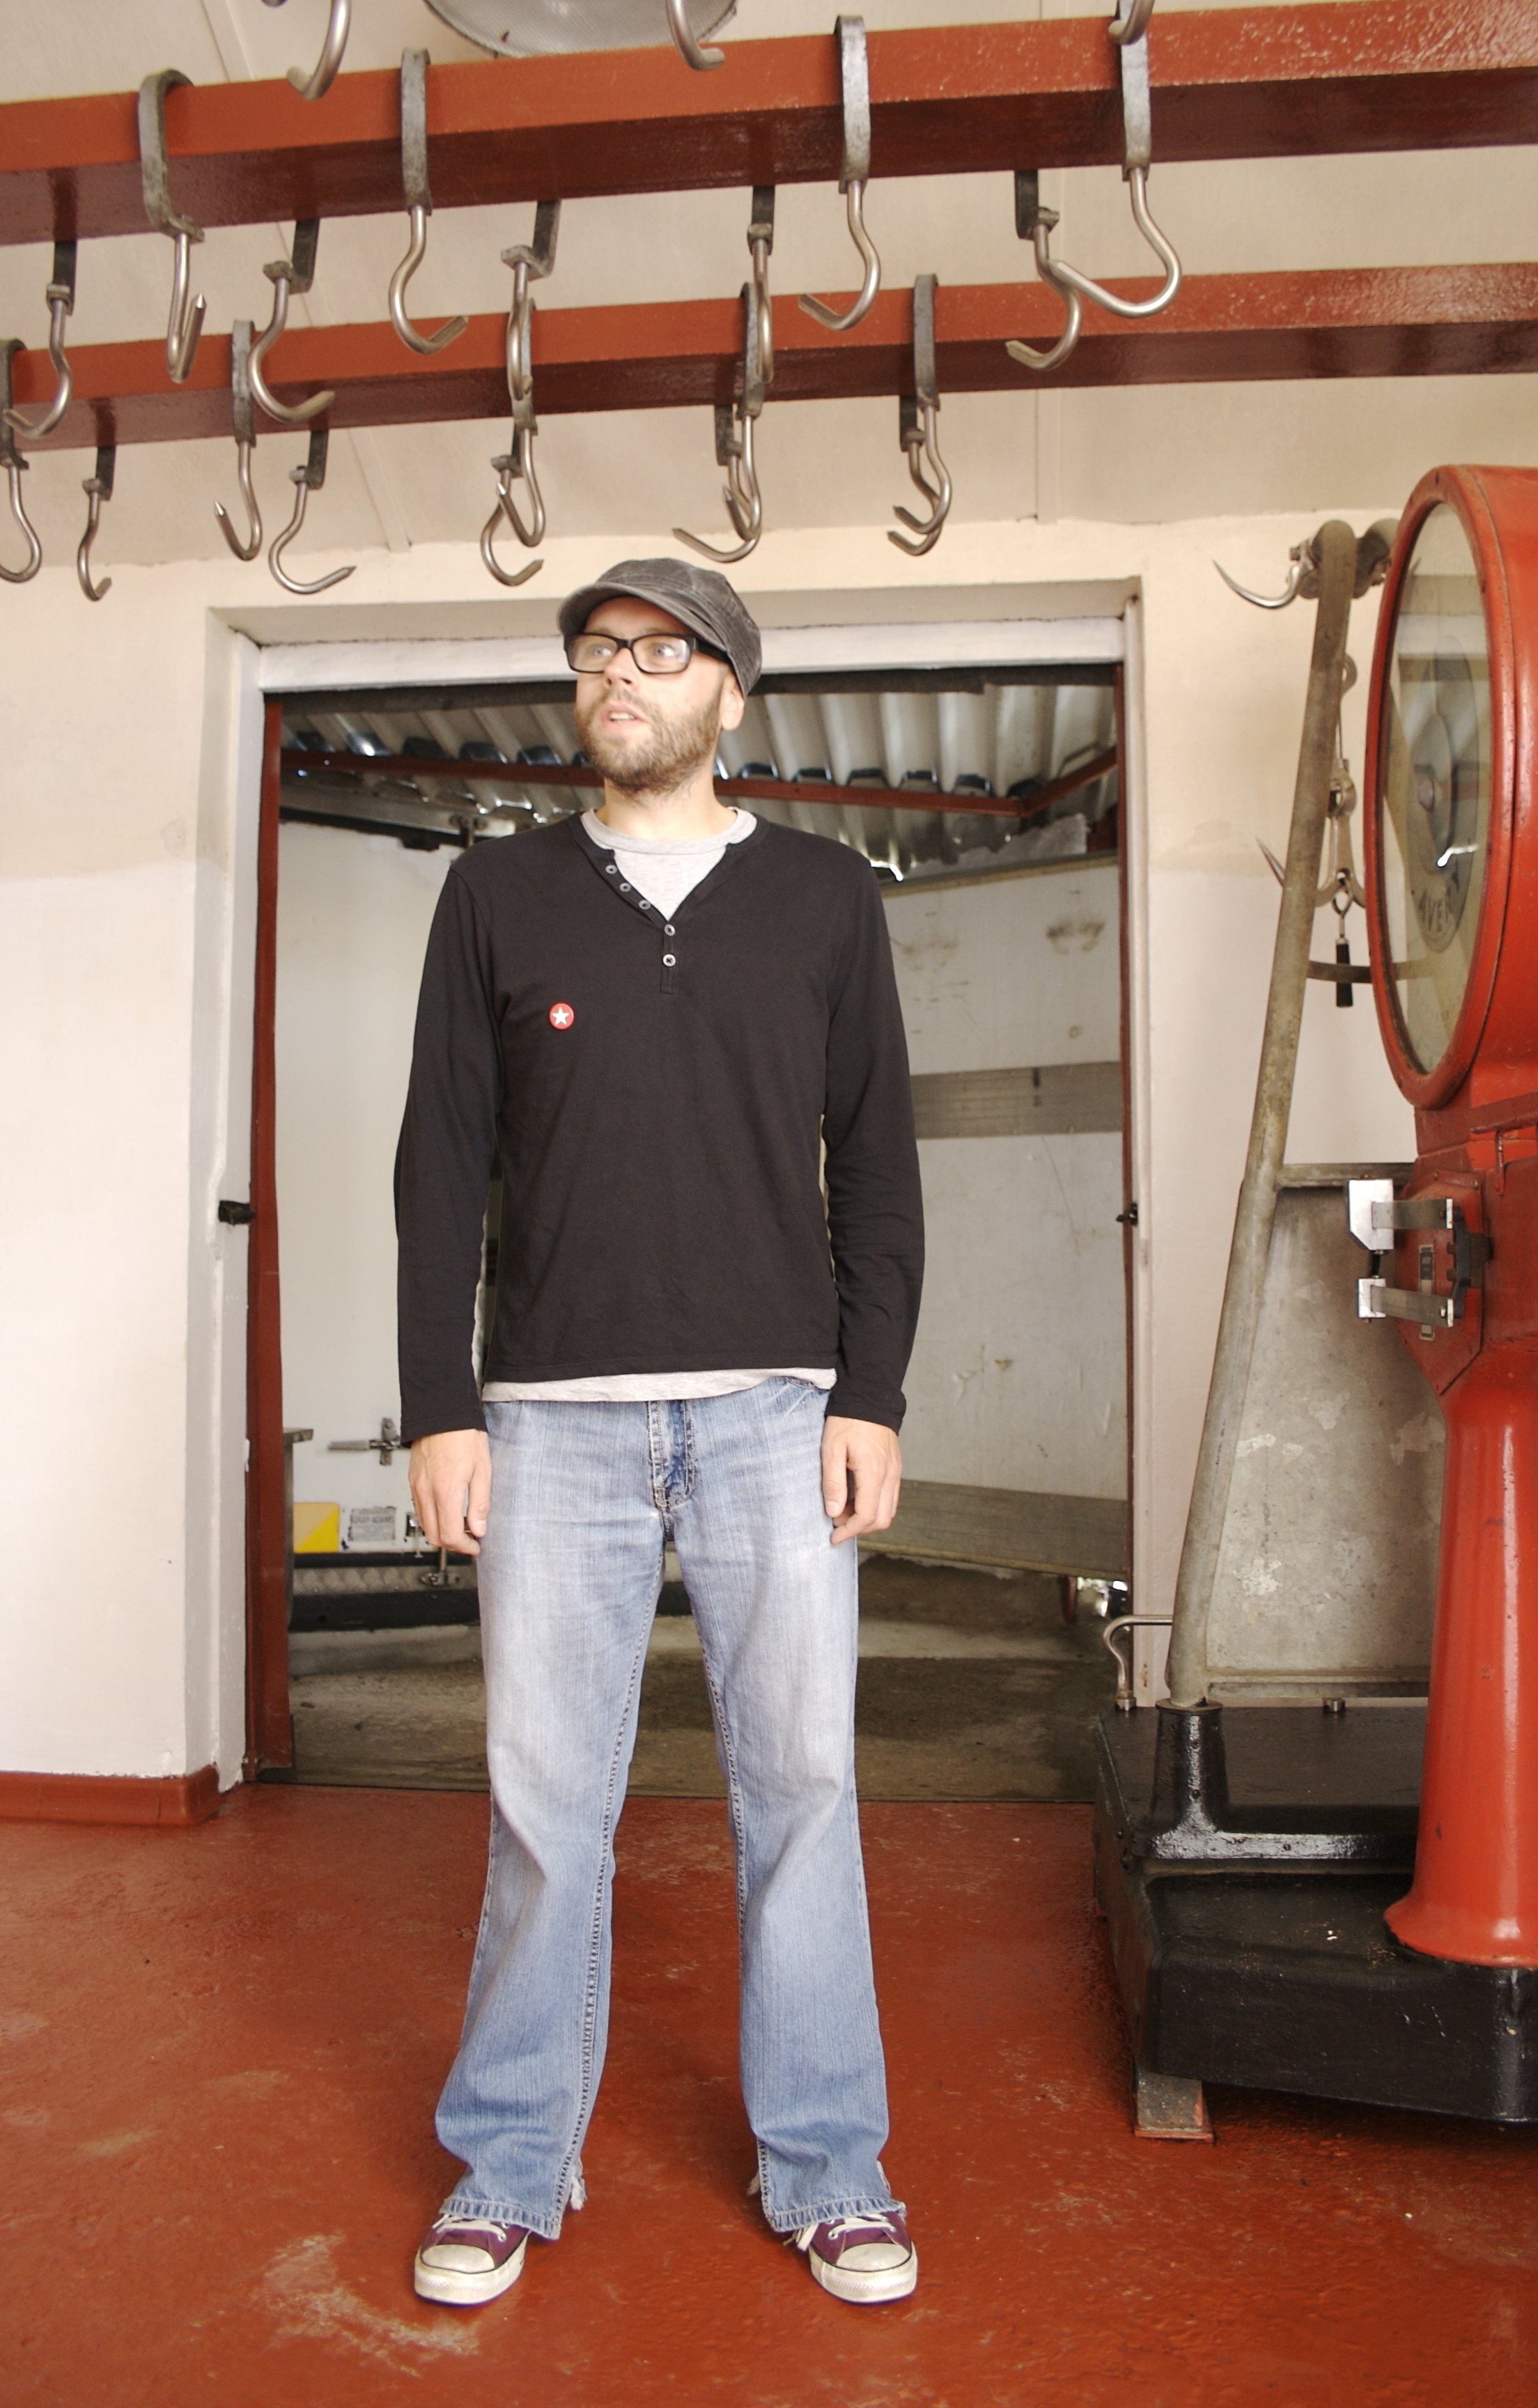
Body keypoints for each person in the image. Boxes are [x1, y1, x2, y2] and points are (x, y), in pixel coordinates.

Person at [395, 558, 925, 2312]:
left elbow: (880, 1162)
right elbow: (436, 1166)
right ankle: (508, 2163)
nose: (617, 674)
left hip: (779, 1413)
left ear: (730, 694)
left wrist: (871, 1392)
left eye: (660, 650)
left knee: (806, 1796)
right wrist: (439, 1407)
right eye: (595, 651)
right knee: (547, 1807)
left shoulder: (826, 899)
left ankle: (830, 2167)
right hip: (550, 1420)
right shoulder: (494, 894)